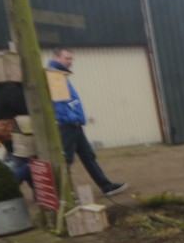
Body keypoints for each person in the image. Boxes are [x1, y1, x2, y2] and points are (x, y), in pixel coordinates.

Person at [46, 47, 127, 197]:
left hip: (74, 124)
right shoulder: (55, 76)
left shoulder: (61, 75)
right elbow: (59, 103)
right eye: (67, 58)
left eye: (71, 59)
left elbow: (70, 101)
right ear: (56, 58)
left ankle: (107, 186)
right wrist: (72, 117)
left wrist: (76, 116)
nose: (70, 61)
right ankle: (64, 195)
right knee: (65, 161)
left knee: (88, 156)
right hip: (68, 125)